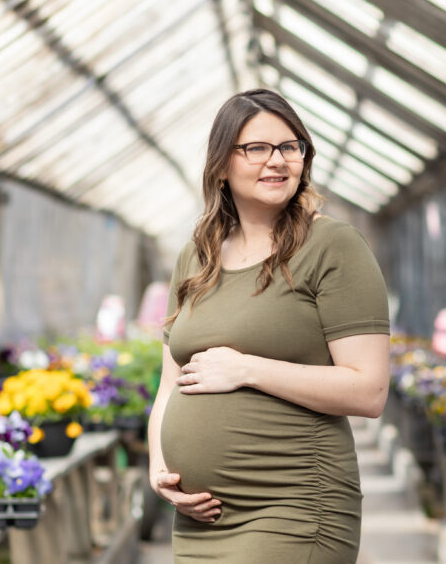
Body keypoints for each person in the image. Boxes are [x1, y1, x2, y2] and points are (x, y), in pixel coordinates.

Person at [147, 88, 391, 562]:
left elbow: (369, 391)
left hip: (294, 505)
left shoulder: (333, 245)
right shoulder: (196, 257)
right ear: (221, 164)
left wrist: (247, 369)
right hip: (200, 520)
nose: (277, 161)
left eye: (290, 146)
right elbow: (169, 386)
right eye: (256, 148)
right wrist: (160, 467)